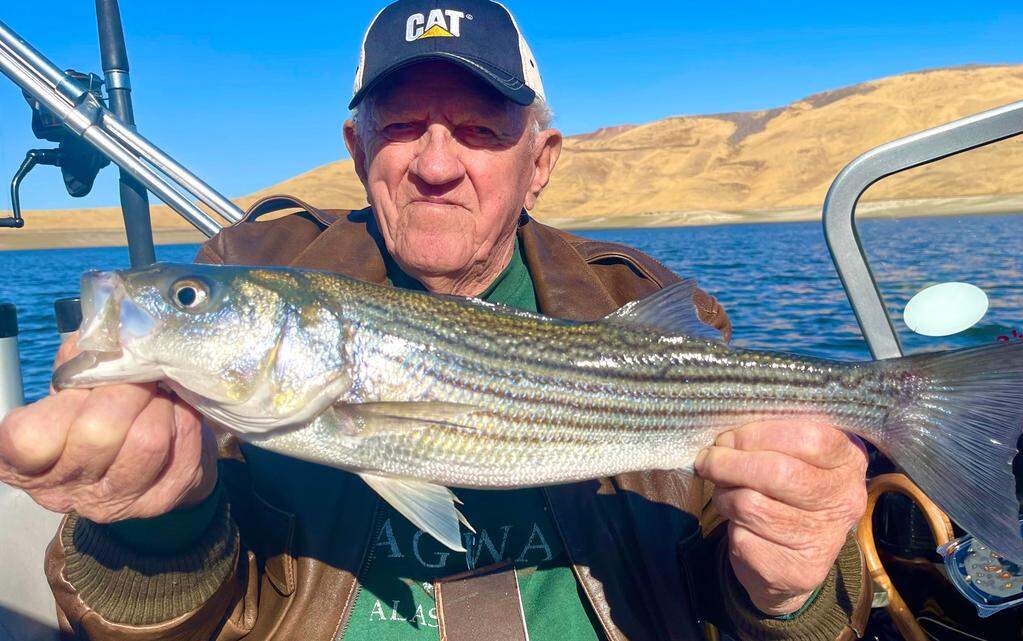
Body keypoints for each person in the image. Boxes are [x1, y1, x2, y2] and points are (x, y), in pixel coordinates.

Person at [0, 2, 871, 639]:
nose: (436, 164)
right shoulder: (246, 278)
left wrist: (793, 591)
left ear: (541, 162)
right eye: (404, 124)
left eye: (481, 129)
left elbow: (741, 596)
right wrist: (155, 519)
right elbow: (154, 620)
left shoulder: (636, 300)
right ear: (358, 150)